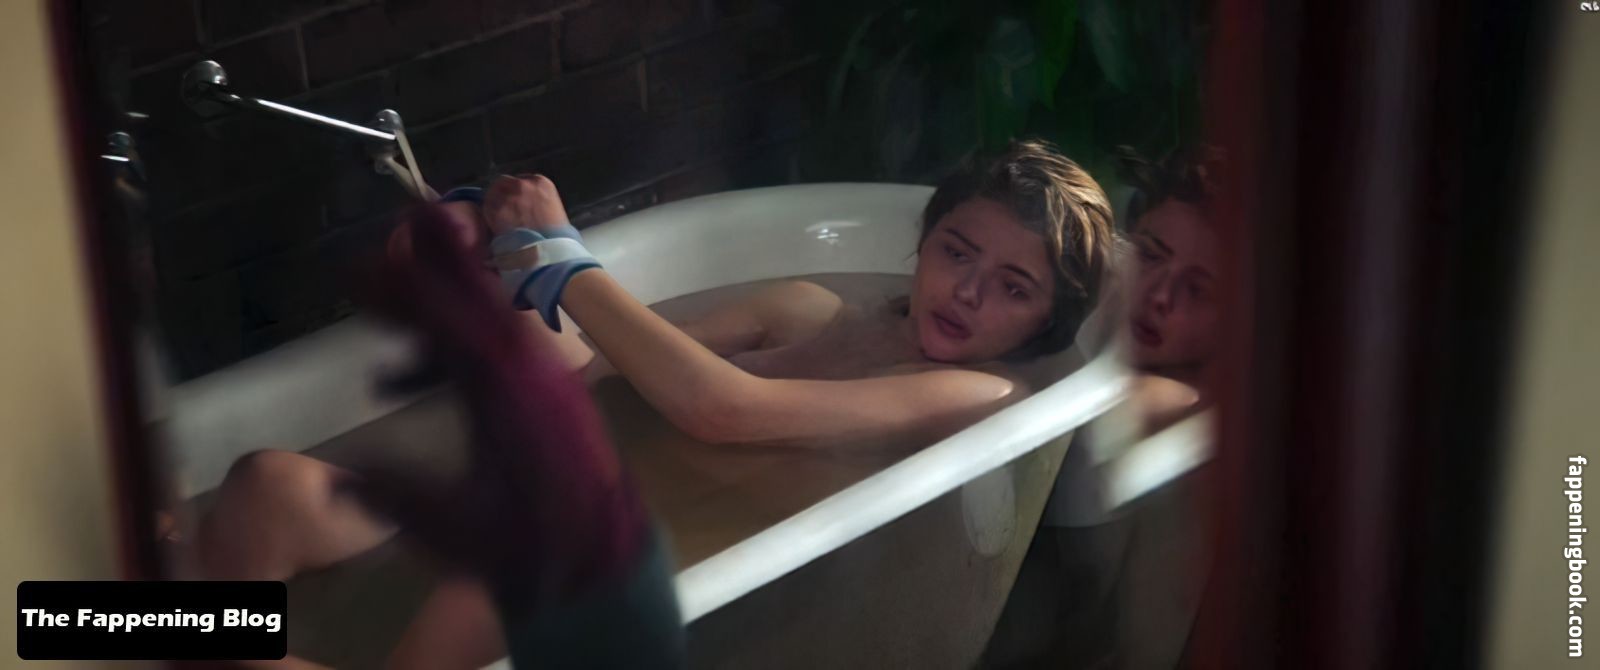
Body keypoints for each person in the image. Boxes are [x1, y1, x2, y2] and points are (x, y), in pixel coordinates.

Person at [197, 139, 1118, 668]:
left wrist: (561, 258)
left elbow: (727, 411)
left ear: (1047, 323)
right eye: (957, 252)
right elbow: (597, 370)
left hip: (615, 589)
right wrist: (496, 266)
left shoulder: (979, 394)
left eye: (1013, 288)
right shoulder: (802, 307)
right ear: (922, 241)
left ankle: (126, 622)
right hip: (528, 513)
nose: (968, 292)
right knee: (269, 488)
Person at [983, 144, 1224, 668]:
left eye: (1197, 290)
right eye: (1152, 255)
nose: (1160, 295)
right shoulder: (1098, 288)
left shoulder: (1192, 399)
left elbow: (1102, 409)